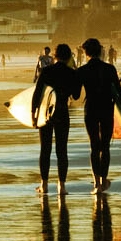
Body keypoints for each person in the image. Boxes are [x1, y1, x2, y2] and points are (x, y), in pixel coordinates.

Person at [77, 38, 121, 195]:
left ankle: (97, 184)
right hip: (106, 109)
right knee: (105, 147)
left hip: (90, 109)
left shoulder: (82, 70)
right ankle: (104, 180)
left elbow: (76, 94)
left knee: (94, 146)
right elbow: (119, 93)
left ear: (85, 52)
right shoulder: (109, 69)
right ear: (100, 51)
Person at [31, 44, 81, 196]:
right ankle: (62, 186)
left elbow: (37, 94)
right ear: (69, 57)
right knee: (62, 150)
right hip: (62, 112)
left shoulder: (46, 71)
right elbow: (76, 96)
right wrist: (76, 78)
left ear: (55, 55)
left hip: (46, 114)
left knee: (45, 149)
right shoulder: (71, 73)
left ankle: (44, 185)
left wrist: (34, 115)